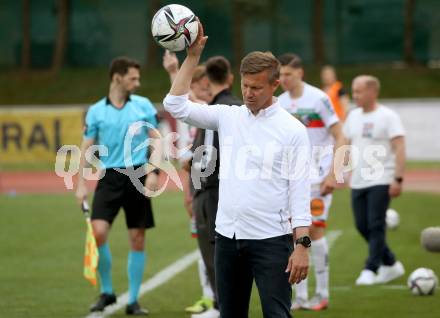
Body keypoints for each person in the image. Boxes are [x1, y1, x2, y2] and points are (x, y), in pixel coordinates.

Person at [163, 21, 312, 318]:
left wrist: (302, 245)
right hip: (227, 240)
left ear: (275, 84)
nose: (248, 93)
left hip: (272, 241)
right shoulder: (228, 116)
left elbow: (300, 191)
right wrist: (192, 58)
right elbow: (174, 104)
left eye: (256, 87)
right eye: (244, 85)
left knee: (278, 315)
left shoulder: (293, 130)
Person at [75, 56, 161, 315]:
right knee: (98, 231)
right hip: (109, 177)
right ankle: (108, 291)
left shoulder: (143, 106)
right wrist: (80, 184)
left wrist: (154, 170)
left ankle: (133, 300)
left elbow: (158, 140)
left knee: (137, 237)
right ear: (117, 78)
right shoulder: (96, 111)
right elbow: (85, 148)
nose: (138, 82)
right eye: (133, 78)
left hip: (137, 175)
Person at [278, 53, 344, 311]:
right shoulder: (280, 103)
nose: (283, 79)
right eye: (281, 74)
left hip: (318, 179)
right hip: (292, 179)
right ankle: (302, 297)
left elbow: (340, 135)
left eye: (288, 74)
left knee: (315, 231)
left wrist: (333, 174)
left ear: (300, 73)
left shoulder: (319, 98)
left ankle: (323, 293)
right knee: (294, 232)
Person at [163, 50, 216, 315]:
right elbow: (187, 154)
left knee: (214, 242)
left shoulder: (213, 111)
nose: (195, 90)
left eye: (197, 85)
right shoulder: (191, 120)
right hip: (196, 184)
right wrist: (186, 189)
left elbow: (190, 101)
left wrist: (174, 71)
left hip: (213, 186)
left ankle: (217, 298)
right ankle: (209, 297)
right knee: (201, 239)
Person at [189, 55, 242, 318]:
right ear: (231, 78)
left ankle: (223, 306)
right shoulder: (234, 108)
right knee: (217, 251)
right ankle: (222, 305)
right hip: (218, 187)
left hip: (212, 189)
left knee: (216, 252)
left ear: (208, 81)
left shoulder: (215, 111)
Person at [343, 75, 406, 285]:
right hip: (358, 180)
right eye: (354, 90)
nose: (355, 95)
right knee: (362, 226)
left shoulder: (388, 116)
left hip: (382, 178)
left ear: (373, 92)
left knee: (376, 224)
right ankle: (391, 264)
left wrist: (398, 178)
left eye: (359, 91)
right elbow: (344, 143)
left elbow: (399, 147)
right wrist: (338, 171)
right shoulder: (353, 116)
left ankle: (370, 268)